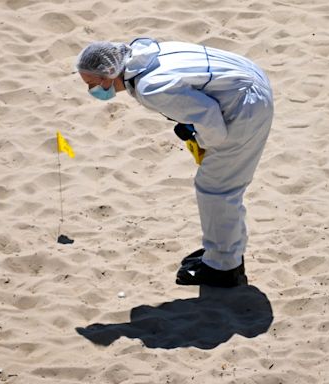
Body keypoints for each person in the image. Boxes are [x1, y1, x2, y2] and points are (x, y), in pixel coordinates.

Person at [76, 38, 273, 288]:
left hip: (246, 104)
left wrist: (201, 140)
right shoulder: (147, 54)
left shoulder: (150, 87)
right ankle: (224, 254)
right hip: (248, 78)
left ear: (108, 75)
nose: (92, 90)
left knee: (217, 188)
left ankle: (224, 268)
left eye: (92, 84)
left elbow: (212, 123)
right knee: (219, 184)